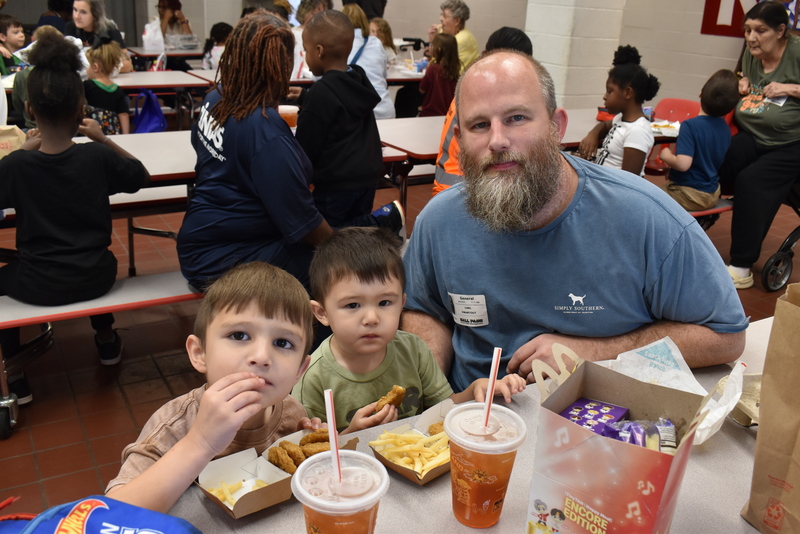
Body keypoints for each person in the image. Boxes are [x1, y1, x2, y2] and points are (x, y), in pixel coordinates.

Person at [400, 50, 748, 393]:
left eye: (516, 118)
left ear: (556, 126)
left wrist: (592, 353)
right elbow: (424, 310)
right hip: (472, 418)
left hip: (597, 421)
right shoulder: (439, 222)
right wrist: (432, 398)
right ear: (459, 140)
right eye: (479, 125)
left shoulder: (646, 218)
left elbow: (726, 336)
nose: (498, 140)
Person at [0, 32, 148, 403]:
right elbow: (139, 176)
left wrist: (23, 149)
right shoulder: (96, 158)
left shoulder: (18, 165)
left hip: (37, 281)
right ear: (81, 108)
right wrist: (103, 139)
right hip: (95, 276)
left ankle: (14, 375)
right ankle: (106, 338)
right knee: (96, 256)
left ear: (29, 109)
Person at [105, 261, 323, 513]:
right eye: (239, 335)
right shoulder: (176, 424)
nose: (262, 356)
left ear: (299, 370)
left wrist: (312, 445)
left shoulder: (293, 413)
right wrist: (200, 442)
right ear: (200, 353)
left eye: (283, 342)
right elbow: (112, 513)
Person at [292, 228, 525, 434]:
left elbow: (441, 411)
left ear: (402, 304)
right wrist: (353, 434)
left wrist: (474, 391)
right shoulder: (313, 378)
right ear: (321, 313)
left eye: (385, 303)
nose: (372, 318)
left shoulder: (413, 350)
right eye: (352, 305)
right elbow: (311, 452)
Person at [177, 10, 333, 292]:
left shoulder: (216, 97)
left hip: (199, 243)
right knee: (333, 274)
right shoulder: (265, 133)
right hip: (226, 259)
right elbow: (304, 224)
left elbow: (201, 146)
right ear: (280, 65)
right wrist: (343, 250)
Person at [718, 1, 800, 290]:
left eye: (760, 31)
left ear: (781, 31)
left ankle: (741, 267)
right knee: (723, 158)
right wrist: (743, 82)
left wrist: (790, 88)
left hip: (790, 143)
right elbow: (749, 78)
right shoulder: (753, 54)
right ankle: (700, 219)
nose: (751, 37)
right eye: (748, 30)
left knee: (750, 183)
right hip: (753, 134)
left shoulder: (797, 52)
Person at [294, 10, 386, 228]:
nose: (306, 56)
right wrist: (305, 97)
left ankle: (382, 223)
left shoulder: (321, 92)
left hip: (335, 184)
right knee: (354, 232)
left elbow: (305, 148)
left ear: (319, 51)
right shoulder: (359, 79)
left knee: (329, 239)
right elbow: (344, 110)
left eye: (306, 50)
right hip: (366, 179)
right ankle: (375, 224)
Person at [431, 26, 532, 195]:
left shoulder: (482, 92)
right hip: (458, 192)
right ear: (486, 56)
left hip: (464, 187)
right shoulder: (475, 97)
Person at [658, 69, 740, 211]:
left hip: (689, 194)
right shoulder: (725, 130)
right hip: (712, 193)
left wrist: (666, 156)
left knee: (648, 198)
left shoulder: (690, 126)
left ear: (700, 93)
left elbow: (683, 165)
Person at [578, 45, 660, 176]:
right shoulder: (621, 119)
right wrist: (593, 134)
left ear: (628, 93)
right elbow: (604, 125)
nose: (604, 96)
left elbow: (627, 181)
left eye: (610, 91)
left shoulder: (637, 131)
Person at [341, 3, 394, 119]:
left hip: (361, 112)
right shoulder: (376, 42)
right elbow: (384, 75)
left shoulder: (341, 44)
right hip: (385, 108)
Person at [65, 0, 133, 73]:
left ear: (95, 14)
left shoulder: (109, 30)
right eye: (75, 10)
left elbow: (127, 65)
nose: (76, 16)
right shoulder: (70, 28)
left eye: (83, 12)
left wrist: (96, 70)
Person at [84, 39, 131, 134]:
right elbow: (124, 115)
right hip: (111, 135)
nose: (86, 69)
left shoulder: (87, 86)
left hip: (91, 134)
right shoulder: (118, 90)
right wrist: (126, 135)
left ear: (95, 67)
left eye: (88, 66)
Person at [427, 0, 478, 74]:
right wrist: (432, 41)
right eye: (441, 15)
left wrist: (434, 42)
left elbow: (437, 67)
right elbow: (431, 61)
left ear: (457, 21)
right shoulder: (445, 33)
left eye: (444, 16)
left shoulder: (461, 40)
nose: (440, 18)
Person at [419, 33, 459, 117]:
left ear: (439, 50)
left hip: (429, 114)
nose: (430, 47)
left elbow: (422, 89)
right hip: (447, 115)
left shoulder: (433, 69)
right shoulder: (455, 71)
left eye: (432, 45)